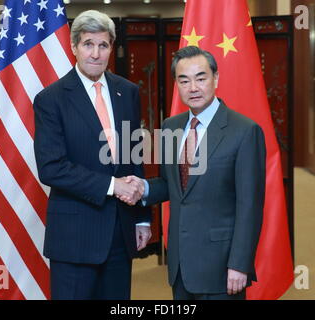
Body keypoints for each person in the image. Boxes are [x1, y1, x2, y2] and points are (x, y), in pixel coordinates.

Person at [123, 46, 266, 300]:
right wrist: (143, 188)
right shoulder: (171, 127)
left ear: (216, 79)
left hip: (222, 267)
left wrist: (240, 264)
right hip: (181, 265)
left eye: (201, 78)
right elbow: (173, 185)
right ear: (177, 84)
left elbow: (250, 206)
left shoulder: (245, 131)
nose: (193, 87)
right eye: (184, 80)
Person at [33, 10, 151, 300]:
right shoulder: (51, 99)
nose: (96, 54)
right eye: (88, 44)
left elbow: (134, 158)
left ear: (112, 48)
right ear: (74, 47)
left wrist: (142, 218)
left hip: (120, 233)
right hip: (75, 237)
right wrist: (113, 186)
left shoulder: (128, 92)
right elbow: (51, 168)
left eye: (103, 45)